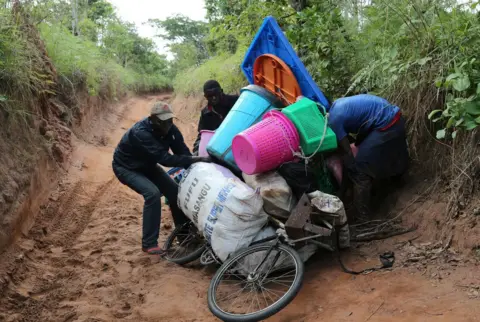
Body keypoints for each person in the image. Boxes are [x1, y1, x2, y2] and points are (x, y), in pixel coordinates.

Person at [112, 101, 210, 255]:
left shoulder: (171, 129)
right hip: (126, 167)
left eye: (170, 120)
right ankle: (149, 243)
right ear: (153, 119)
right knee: (152, 194)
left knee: (175, 193)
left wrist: (197, 168)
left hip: (147, 165)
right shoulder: (141, 133)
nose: (168, 124)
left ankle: (184, 237)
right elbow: (165, 159)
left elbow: (182, 152)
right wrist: (198, 159)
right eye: (163, 121)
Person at [327, 94, 409, 219]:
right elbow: (362, 128)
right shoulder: (336, 106)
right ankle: (397, 179)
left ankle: (363, 216)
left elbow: (348, 152)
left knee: (361, 168)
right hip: (392, 115)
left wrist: (352, 172)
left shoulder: (334, 121)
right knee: (373, 151)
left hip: (387, 124)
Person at [192, 80, 239, 154]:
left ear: (221, 91)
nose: (213, 98)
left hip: (240, 140)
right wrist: (196, 150)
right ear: (205, 97)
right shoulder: (205, 113)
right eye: (209, 96)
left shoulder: (236, 101)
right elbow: (202, 135)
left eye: (215, 94)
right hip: (222, 149)